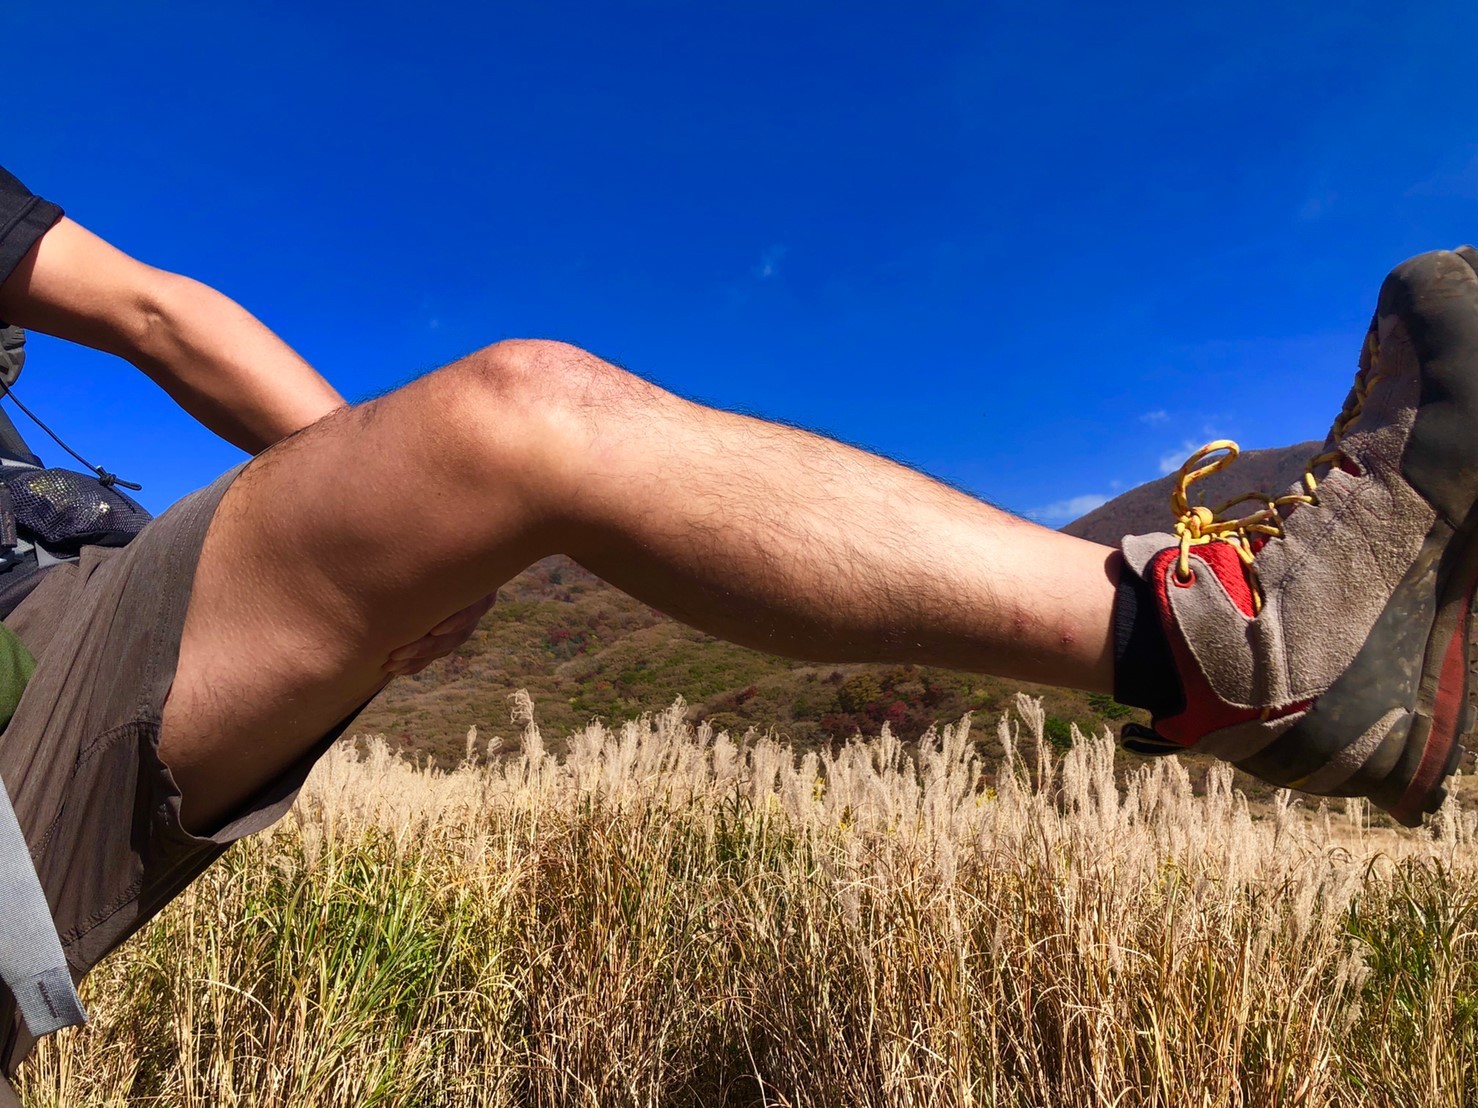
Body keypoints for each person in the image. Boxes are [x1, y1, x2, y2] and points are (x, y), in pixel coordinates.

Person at [0, 162, 1473, 1088]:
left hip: (44, 624)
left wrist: (404, 537)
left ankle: (1252, 652)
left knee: (530, 418)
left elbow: (149, 312)